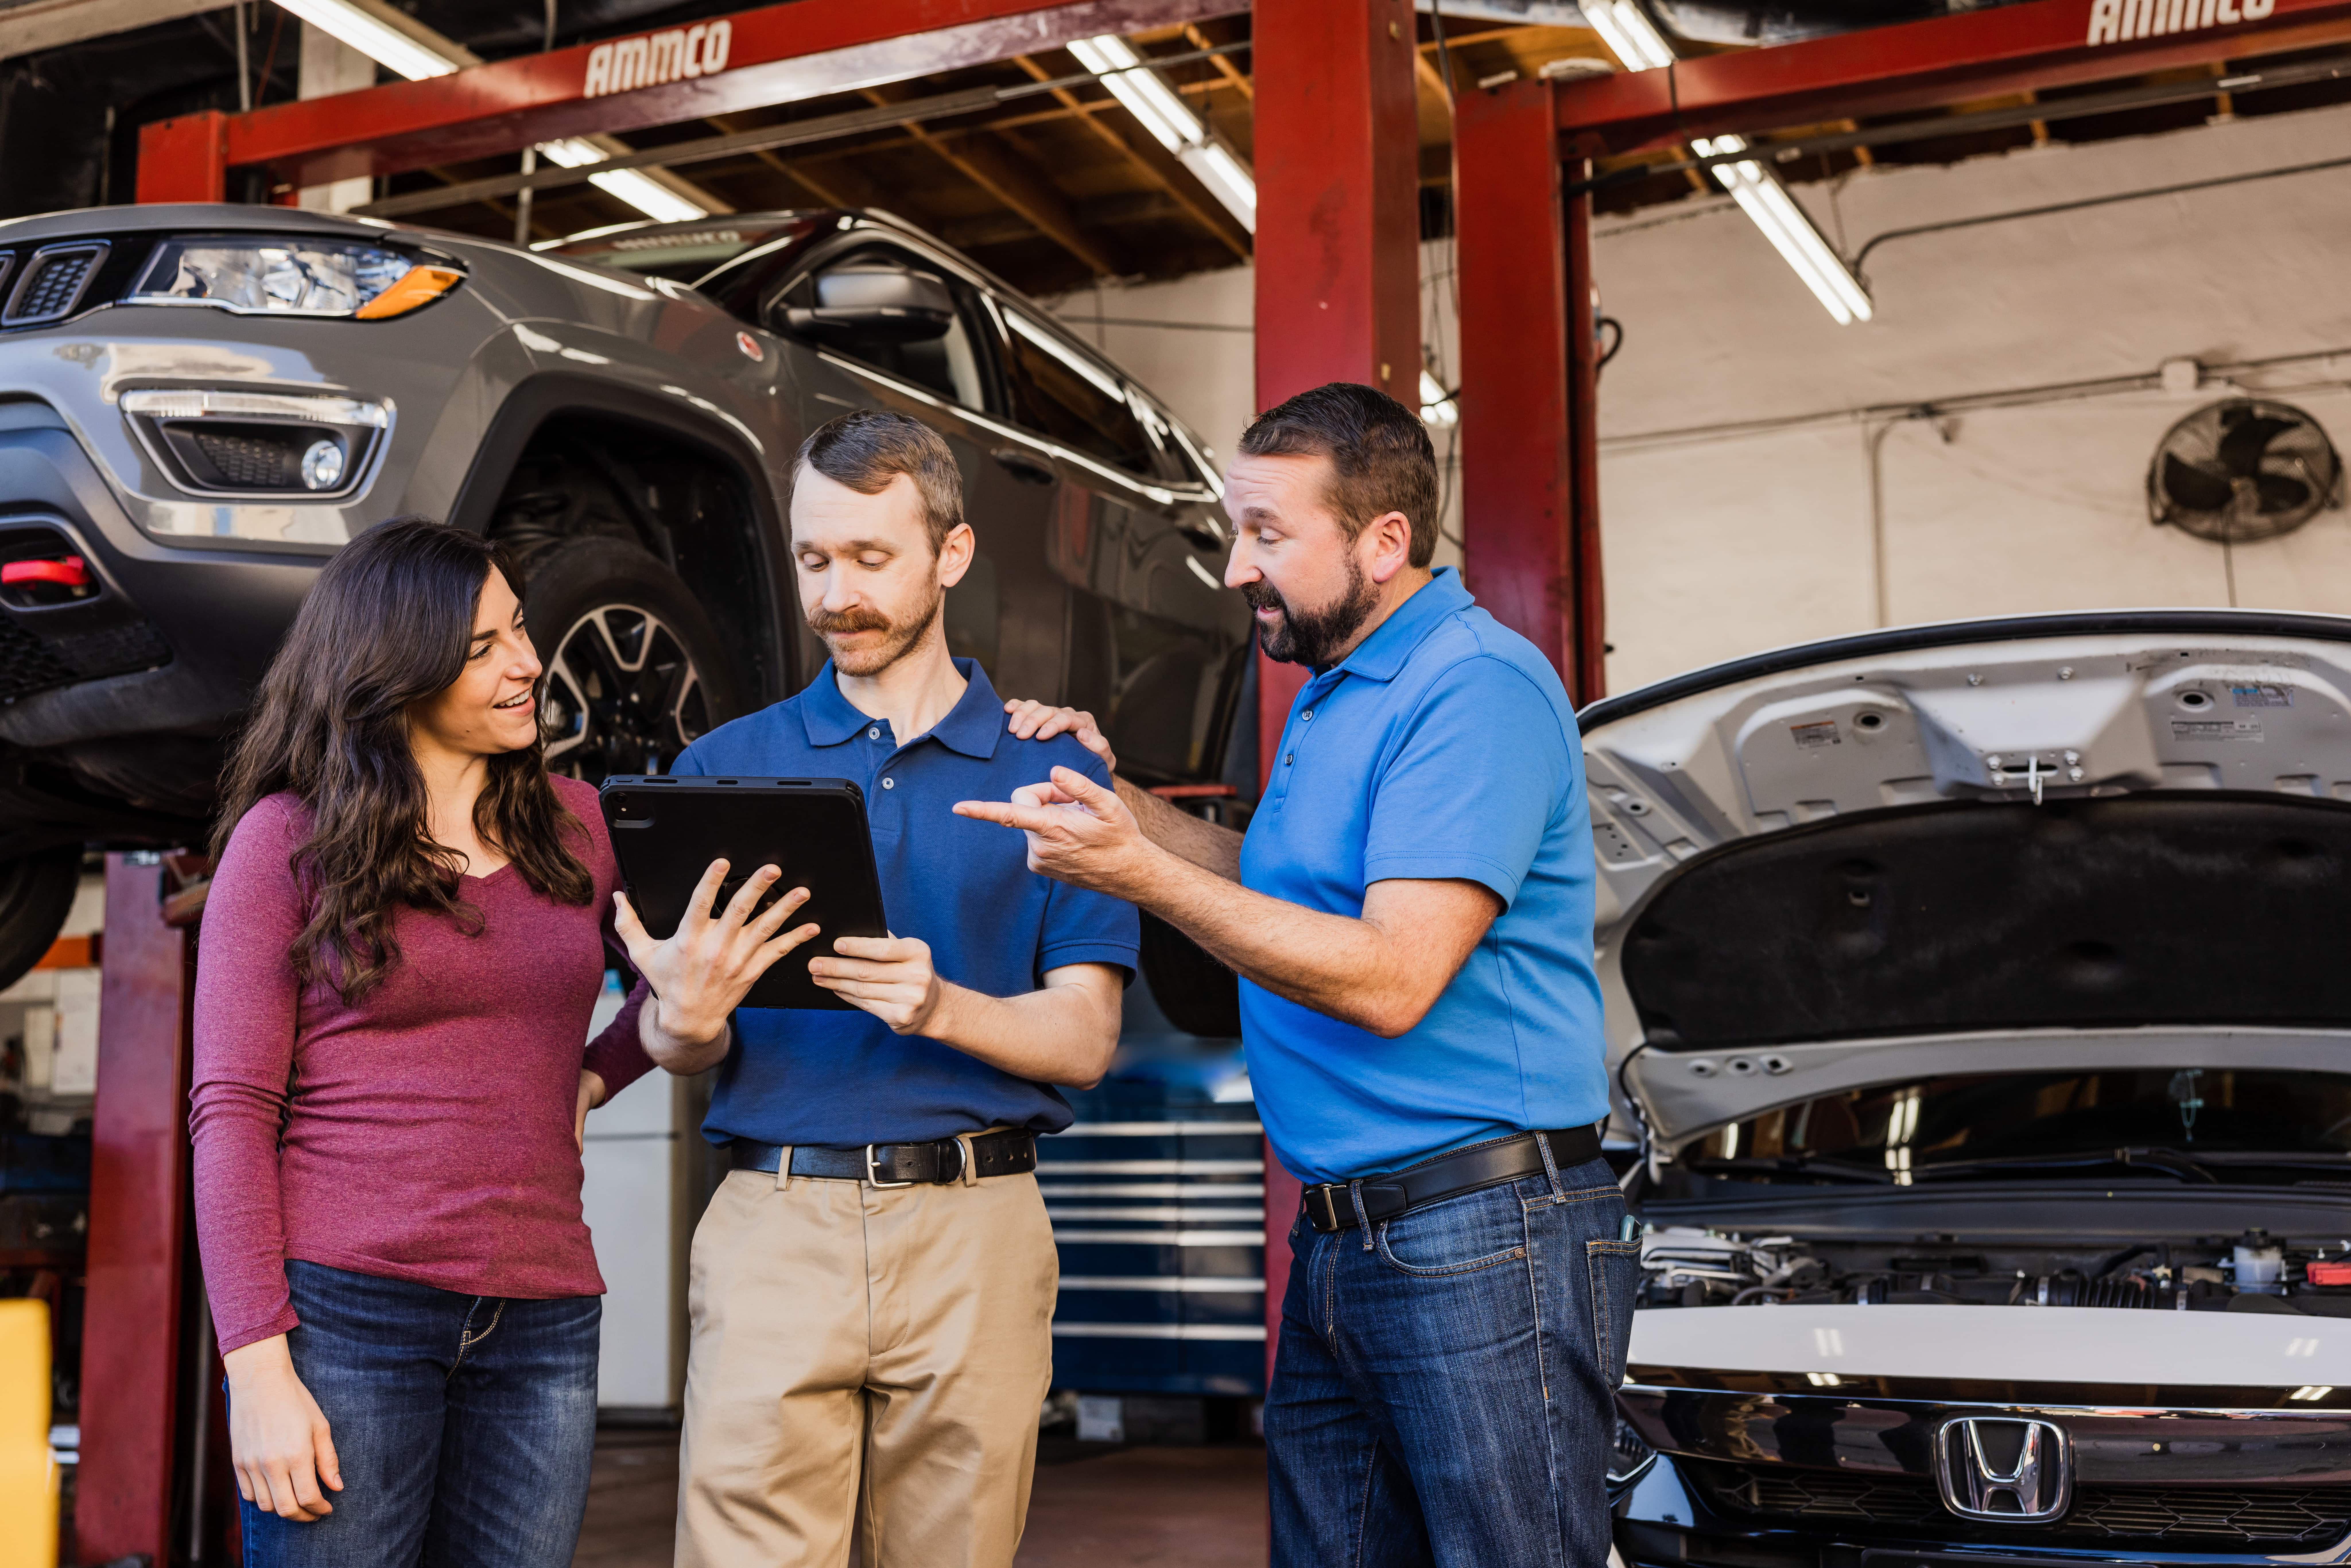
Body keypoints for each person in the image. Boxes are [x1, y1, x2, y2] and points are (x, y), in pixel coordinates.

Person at [963, 382, 1633, 1567]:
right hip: (1345, 1240)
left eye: (1267, 534)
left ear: (1383, 542)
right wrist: (1114, 802)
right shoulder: (1336, 692)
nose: (1236, 568)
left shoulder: (1472, 687)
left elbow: (1390, 977)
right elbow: (1279, 890)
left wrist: (1135, 874)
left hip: (1480, 1238)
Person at [190, 520, 805, 1565]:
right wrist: (256, 1368)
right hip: (348, 1313)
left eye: (519, 627)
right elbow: (232, 1114)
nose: (527, 662)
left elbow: (668, 989)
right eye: (483, 648)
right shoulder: (287, 840)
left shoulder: (583, 826)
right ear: (396, 670)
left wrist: (600, 1075)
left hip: (542, 1316)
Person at [617, 408, 1138, 1568]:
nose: (835, 594)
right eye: (813, 559)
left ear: (952, 555)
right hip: (773, 1225)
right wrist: (681, 1026)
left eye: (869, 557)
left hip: (978, 1231)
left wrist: (940, 1006)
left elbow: (1086, 1037)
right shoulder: (719, 768)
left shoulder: (1055, 772)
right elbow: (682, 1038)